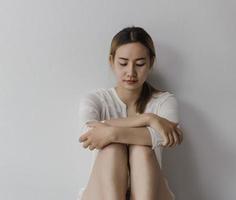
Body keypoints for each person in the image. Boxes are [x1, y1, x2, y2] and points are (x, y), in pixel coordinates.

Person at [77, 26, 183, 200]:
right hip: (102, 194)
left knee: (141, 150)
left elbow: (165, 137)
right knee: (112, 149)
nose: (131, 72)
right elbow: (88, 135)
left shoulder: (164, 101)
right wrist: (148, 119)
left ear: (151, 62)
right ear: (111, 61)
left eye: (140, 64)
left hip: (150, 195)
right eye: (123, 63)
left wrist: (110, 132)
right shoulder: (94, 99)